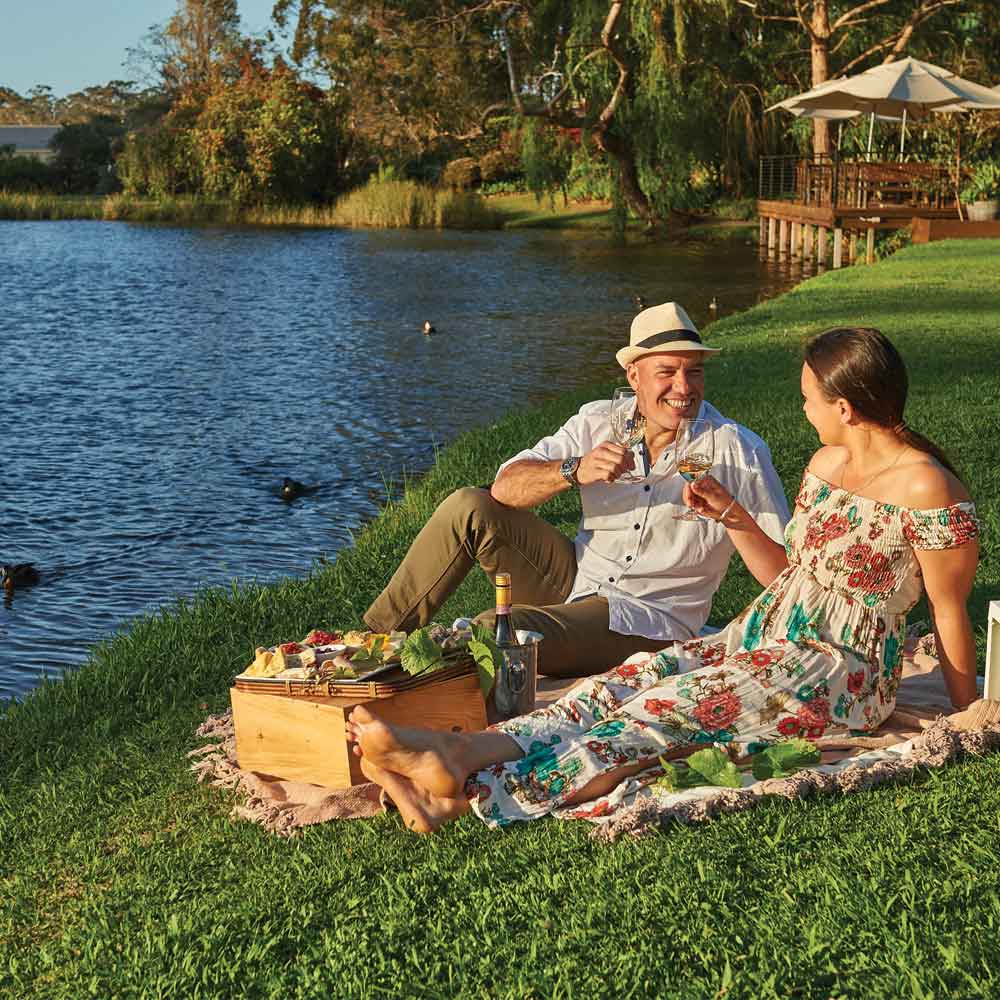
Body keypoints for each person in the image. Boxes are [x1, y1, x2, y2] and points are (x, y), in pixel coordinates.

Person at [347, 326, 981, 833]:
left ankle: (471, 794)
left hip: (840, 667)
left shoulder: (928, 487)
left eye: (809, 397)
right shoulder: (828, 460)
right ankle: (460, 752)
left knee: (660, 713)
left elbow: (949, 611)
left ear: (843, 407)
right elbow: (792, 574)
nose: (802, 406)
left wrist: (967, 714)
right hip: (761, 632)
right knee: (625, 685)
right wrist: (730, 513)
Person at [364, 301, 790, 677]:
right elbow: (505, 487)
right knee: (469, 506)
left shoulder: (737, 451)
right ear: (633, 376)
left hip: (650, 619)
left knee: (495, 632)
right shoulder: (599, 421)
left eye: (694, 372)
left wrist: (729, 513)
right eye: (667, 372)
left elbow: (787, 573)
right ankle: (368, 646)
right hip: (578, 580)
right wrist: (574, 469)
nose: (684, 388)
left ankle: (428, 705)